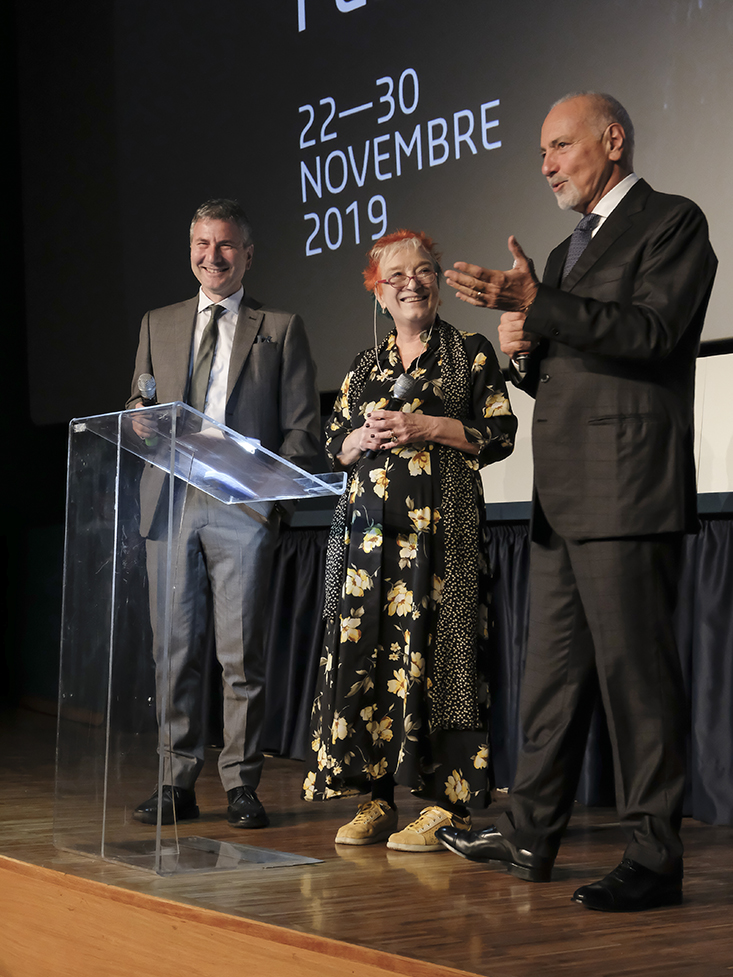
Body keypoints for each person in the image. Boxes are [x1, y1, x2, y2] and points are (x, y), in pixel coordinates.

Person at [436, 93, 717, 911]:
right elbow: (558, 369)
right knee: (551, 681)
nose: (547, 164)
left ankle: (654, 859)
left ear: (612, 139)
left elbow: (653, 333)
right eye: (542, 152)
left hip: (627, 489)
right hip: (561, 497)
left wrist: (536, 306)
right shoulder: (560, 255)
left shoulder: (673, 222)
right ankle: (527, 833)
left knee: (638, 683)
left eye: (559, 146)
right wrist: (522, 351)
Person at [302, 229, 517, 851]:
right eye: (395, 276)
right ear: (378, 291)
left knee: (443, 661)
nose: (411, 284)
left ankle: (448, 808)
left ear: (438, 282)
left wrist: (428, 425)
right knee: (369, 662)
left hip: (442, 545)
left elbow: (497, 434)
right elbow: (334, 446)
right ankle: (375, 800)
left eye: (423, 271)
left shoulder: (470, 353)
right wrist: (359, 439)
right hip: (368, 550)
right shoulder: (363, 367)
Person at [129, 198, 320, 829]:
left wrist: (266, 498)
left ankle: (241, 785)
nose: (213, 257)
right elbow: (140, 403)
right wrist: (140, 423)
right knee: (174, 654)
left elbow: (302, 433)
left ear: (247, 252)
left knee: (242, 659)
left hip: (243, 508)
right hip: (173, 503)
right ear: (190, 250)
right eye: (202, 245)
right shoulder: (157, 322)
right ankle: (174, 783)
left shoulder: (281, 327)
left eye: (227, 245)